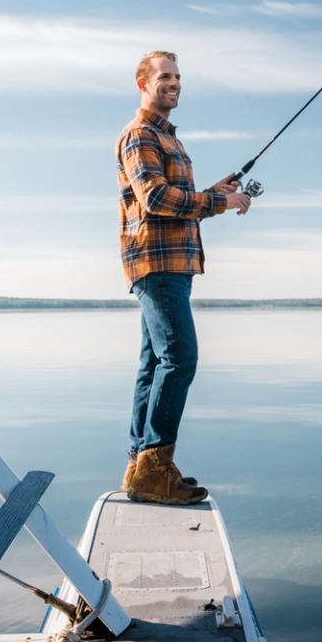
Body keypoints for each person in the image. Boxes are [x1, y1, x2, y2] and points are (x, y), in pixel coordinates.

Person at [116, 50, 250, 505]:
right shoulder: (139, 135)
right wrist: (219, 204)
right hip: (157, 265)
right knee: (180, 358)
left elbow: (176, 199)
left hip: (172, 264)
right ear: (143, 84)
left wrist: (213, 193)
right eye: (165, 76)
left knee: (154, 363)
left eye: (177, 76)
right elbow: (155, 199)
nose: (174, 83)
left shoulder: (168, 138)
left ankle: (141, 467)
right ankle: (153, 467)